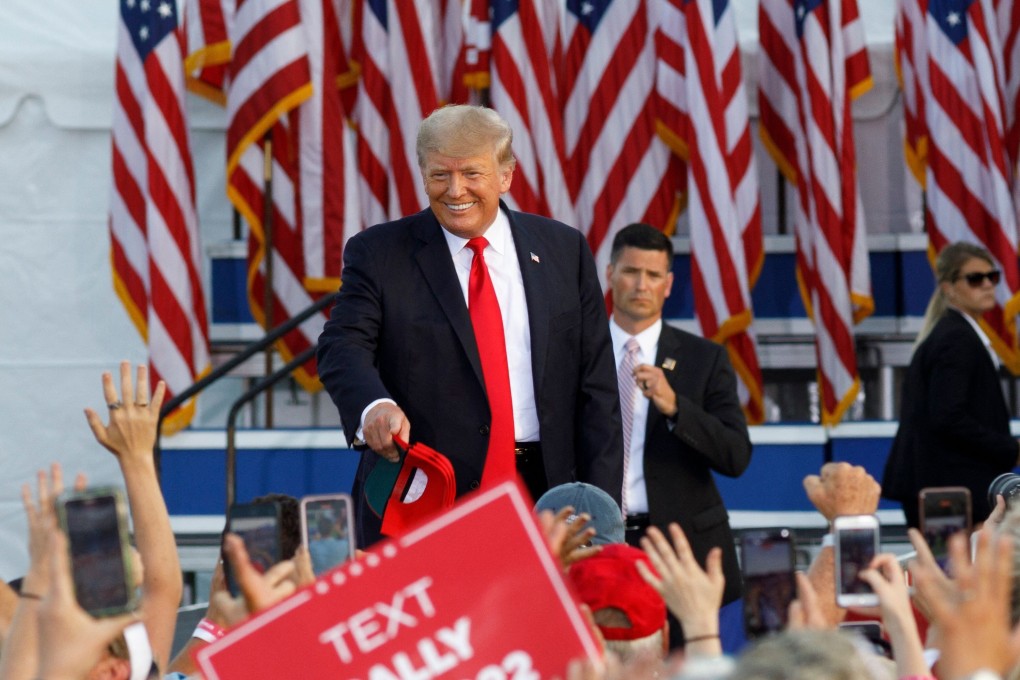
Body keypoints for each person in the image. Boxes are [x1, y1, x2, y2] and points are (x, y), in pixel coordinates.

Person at [317, 104, 623, 546]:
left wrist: (602, 515)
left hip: (548, 499)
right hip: (425, 498)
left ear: (506, 175)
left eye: (472, 174)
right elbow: (343, 345)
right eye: (440, 175)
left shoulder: (564, 250)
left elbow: (597, 392)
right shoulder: (379, 253)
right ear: (422, 175)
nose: (455, 190)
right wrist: (373, 407)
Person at [604, 222, 750, 644]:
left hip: (680, 547)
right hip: (600, 541)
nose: (641, 285)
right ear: (610, 274)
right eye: (631, 271)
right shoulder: (578, 351)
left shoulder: (705, 358)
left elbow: (736, 455)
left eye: (653, 275)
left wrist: (675, 406)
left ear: (668, 285)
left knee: (685, 665)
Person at [882, 242, 1020, 528]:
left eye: (992, 276)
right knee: (950, 559)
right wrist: (1009, 448)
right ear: (949, 288)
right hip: (947, 492)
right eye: (975, 278)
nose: (987, 285)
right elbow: (947, 416)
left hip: (946, 487)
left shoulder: (953, 332)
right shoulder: (957, 339)